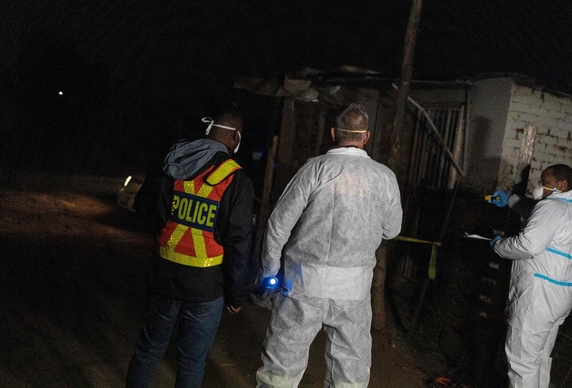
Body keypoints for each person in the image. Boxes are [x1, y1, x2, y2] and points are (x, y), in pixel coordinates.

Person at [255, 103, 403, 388]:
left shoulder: (314, 169)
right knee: (349, 371)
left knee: (282, 364)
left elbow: (278, 224)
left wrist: (269, 271)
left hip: (302, 285)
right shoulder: (384, 177)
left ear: (334, 132)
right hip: (354, 290)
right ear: (366, 137)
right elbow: (392, 230)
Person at [125, 107, 255, 388]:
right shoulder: (237, 180)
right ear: (235, 138)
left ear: (210, 130)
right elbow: (238, 243)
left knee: (148, 351)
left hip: (163, 276)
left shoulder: (172, 160)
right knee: (192, 360)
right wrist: (237, 294)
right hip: (207, 288)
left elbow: (144, 208)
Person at [489, 164, 572, 388]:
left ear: (562, 184)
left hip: (537, 298)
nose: (540, 187)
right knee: (538, 360)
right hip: (559, 296)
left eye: (544, 181)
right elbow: (539, 217)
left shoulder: (551, 207)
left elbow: (528, 245)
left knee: (522, 363)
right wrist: (511, 201)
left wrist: (500, 245)